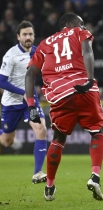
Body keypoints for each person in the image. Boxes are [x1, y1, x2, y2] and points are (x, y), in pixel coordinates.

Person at [25, 13, 103, 201]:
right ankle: (95, 177)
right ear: (69, 24)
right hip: (84, 89)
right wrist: (90, 79)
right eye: (81, 22)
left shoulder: (44, 44)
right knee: (97, 132)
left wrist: (31, 106)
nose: (83, 25)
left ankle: (50, 186)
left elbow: (30, 74)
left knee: (58, 139)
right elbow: (87, 50)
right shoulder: (79, 32)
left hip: (60, 94)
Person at [0, 21, 47, 183]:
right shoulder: (11, 55)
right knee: (7, 142)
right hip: (11, 104)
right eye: (25, 34)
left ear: (34, 36)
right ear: (18, 37)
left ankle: (37, 173)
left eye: (30, 34)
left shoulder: (37, 53)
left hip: (30, 103)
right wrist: (23, 93)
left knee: (41, 130)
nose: (28, 37)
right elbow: (1, 81)